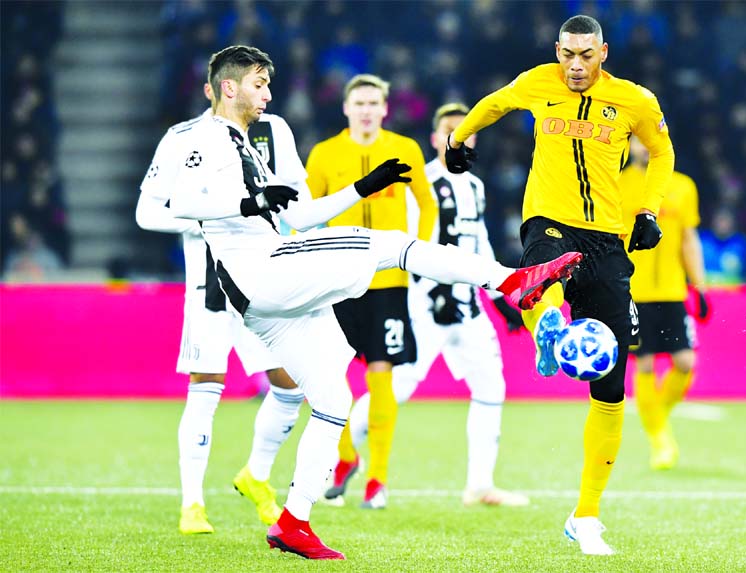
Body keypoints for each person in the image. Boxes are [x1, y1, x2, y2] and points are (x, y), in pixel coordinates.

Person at [168, 45, 580, 560]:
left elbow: (301, 215)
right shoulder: (203, 136)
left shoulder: (250, 141)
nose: (268, 94)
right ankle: (512, 282)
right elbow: (179, 203)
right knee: (389, 243)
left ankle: (294, 521)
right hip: (264, 272)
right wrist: (249, 203)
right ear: (229, 88)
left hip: (266, 299)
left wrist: (364, 186)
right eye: (258, 84)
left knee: (334, 403)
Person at [445, 15, 675, 555]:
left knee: (613, 387)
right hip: (547, 218)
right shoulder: (537, 82)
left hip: (609, 238)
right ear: (557, 50)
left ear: (604, 53)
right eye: (567, 54)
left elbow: (663, 152)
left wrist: (649, 208)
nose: (575, 65)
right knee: (542, 269)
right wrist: (459, 137)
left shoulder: (636, 100)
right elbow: (495, 103)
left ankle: (586, 516)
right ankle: (547, 320)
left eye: (586, 55)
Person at [346, 103, 530, 508]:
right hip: (424, 307)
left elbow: (478, 245)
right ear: (435, 138)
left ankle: (479, 485)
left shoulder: (476, 187)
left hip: (469, 308)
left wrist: (502, 301)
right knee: (396, 386)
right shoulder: (421, 184)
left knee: (490, 387)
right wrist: (429, 291)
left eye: (464, 133)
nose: (457, 139)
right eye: (449, 132)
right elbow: (411, 245)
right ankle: (338, 462)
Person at [137, 102, 304, 535]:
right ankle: (192, 504)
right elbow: (147, 211)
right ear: (218, 89)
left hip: (264, 281)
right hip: (208, 286)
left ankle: (257, 475)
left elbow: (297, 195)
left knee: (291, 386)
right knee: (206, 386)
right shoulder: (183, 136)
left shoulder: (274, 130)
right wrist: (201, 221)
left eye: (265, 82)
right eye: (255, 82)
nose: (262, 93)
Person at [305, 74, 438, 509]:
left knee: (381, 374)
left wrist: (415, 251)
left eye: (373, 103)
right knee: (331, 374)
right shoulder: (325, 154)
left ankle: (377, 477)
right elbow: (306, 212)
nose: (365, 109)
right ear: (346, 108)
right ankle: (345, 457)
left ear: (385, 108)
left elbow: (427, 201)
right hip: (339, 279)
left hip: (387, 281)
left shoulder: (405, 149)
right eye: (358, 102)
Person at [619, 136, 709, 470]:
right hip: (633, 291)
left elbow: (688, 238)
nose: (643, 148)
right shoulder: (617, 184)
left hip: (672, 291)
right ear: (628, 147)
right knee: (643, 364)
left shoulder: (683, 186)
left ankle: (655, 414)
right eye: (637, 142)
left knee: (685, 362)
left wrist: (699, 286)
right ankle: (661, 441)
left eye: (649, 141)